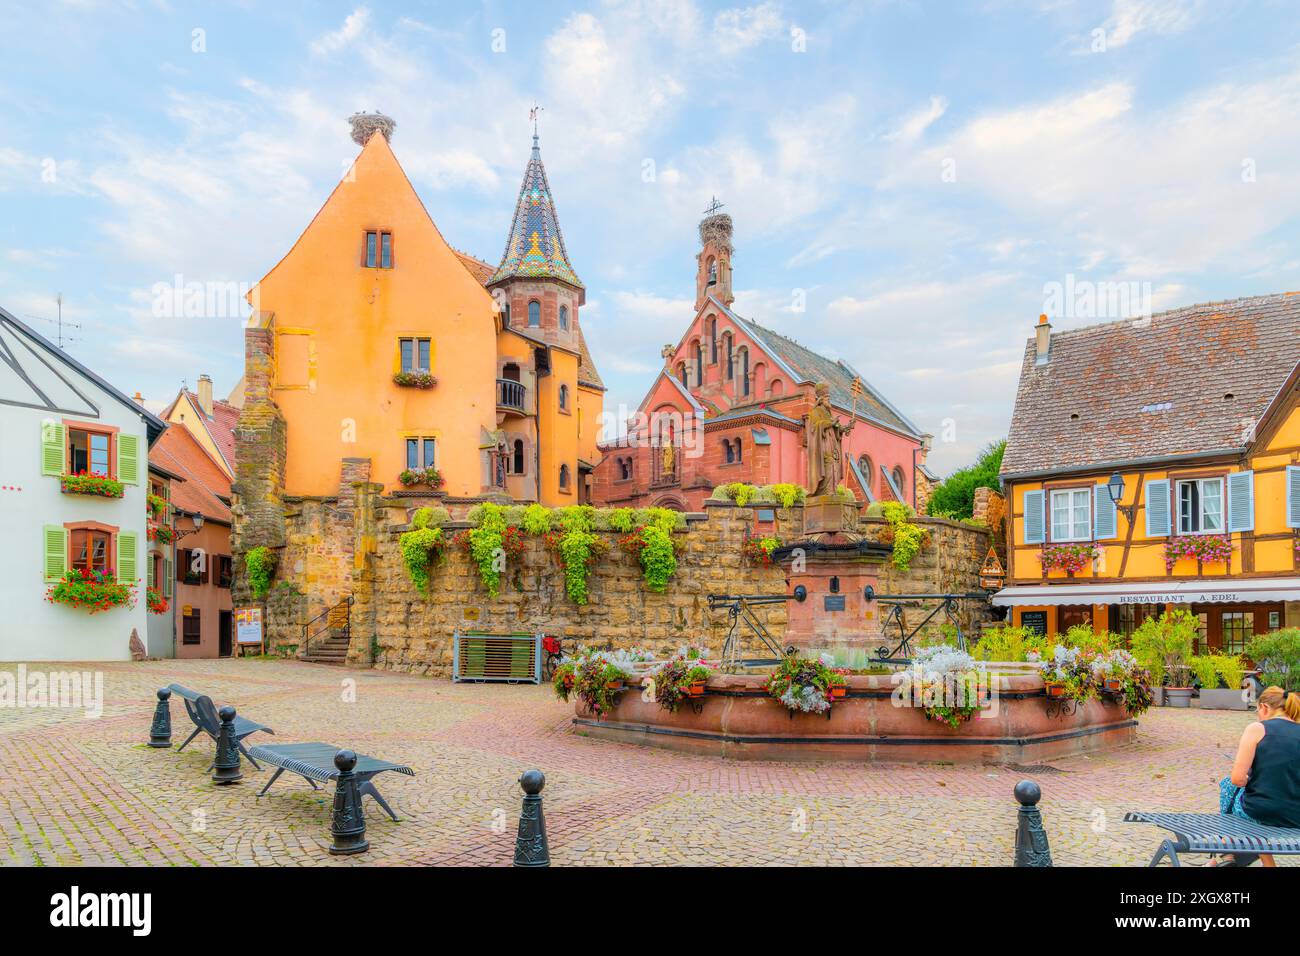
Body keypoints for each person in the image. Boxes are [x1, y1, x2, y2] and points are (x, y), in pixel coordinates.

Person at [1214, 685, 1300, 866]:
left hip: (1259, 812)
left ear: (1265, 708)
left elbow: (1237, 778)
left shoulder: (1257, 729)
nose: (1258, 716)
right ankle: (1266, 862)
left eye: (1257, 711)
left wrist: (1249, 780)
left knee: (1230, 785)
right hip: (1295, 816)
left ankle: (1226, 849)